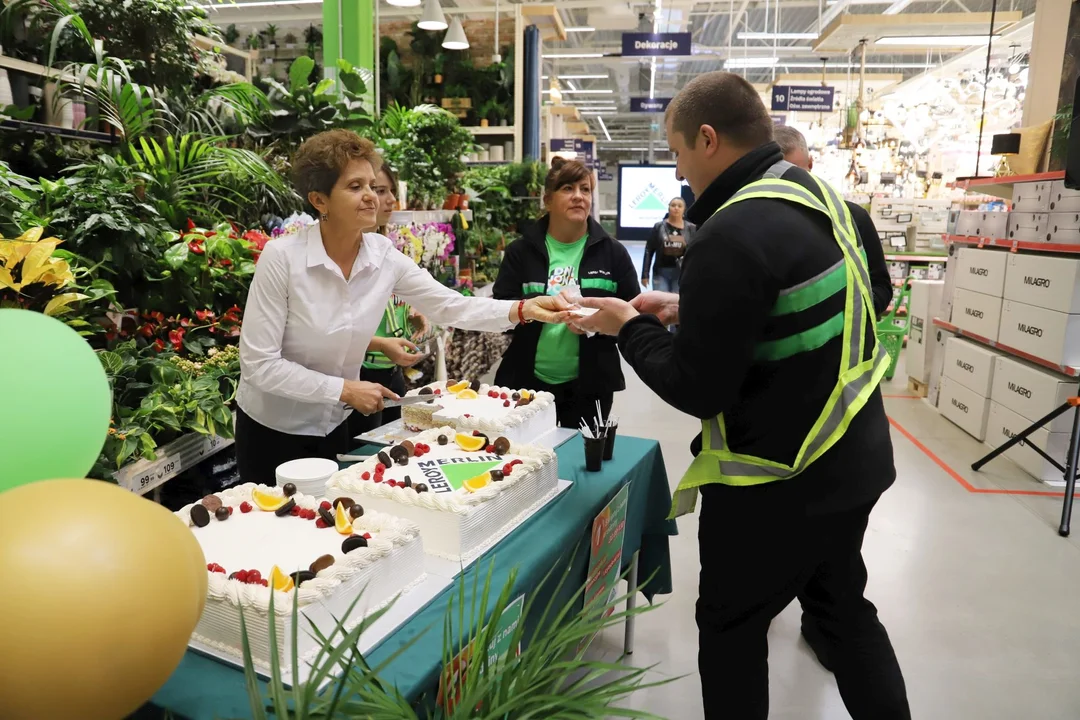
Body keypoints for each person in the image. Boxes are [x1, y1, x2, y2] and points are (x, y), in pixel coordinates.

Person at [572, 72, 910, 720]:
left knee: (731, 631)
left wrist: (630, 326)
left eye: (675, 153)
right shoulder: (821, 198)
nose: (677, 173)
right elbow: (806, 308)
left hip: (774, 486)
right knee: (845, 616)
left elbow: (697, 386)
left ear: (707, 138)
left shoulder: (728, 234)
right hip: (855, 460)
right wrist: (686, 308)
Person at [236, 129, 573, 484]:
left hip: (333, 424)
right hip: (272, 432)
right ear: (320, 200)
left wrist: (524, 309)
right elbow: (260, 365)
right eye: (355, 187)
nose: (371, 197)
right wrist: (345, 389)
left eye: (372, 185)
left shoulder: (383, 258)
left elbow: (450, 306)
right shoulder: (283, 260)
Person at [492, 157, 639, 429]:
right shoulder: (521, 252)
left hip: (592, 383)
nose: (578, 197)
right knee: (526, 459)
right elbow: (502, 310)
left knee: (581, 463)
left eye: (585, 189)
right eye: (567, 189)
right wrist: (538, 312)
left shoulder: (612, 253)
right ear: (548, 200)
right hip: (526, 383)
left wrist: (596, 325)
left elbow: (633, 315)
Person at [773, 125, 893, 317]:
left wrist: (849, 314)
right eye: (779, 177)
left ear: (810, 165)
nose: (789, 185)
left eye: (795, 174)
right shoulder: (754, 223)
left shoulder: (852, 218)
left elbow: (881, 286)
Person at [348, 163, 430, 435]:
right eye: (379, 190)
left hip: (389, 370)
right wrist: (380, 343)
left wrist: (409, 313)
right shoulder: (344, 254)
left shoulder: (385, 247)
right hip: (360, 374)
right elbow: (324, 331)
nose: (387, 199)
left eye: (387, 190)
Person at [641, 197, 695, 294]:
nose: (676, 208)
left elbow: (695, 252)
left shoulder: (691, 228)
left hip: (681, 273)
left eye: (679, 206)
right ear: (668, 208)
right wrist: (645, 274)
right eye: (673, 205)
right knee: (660, 302)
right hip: (661, 272)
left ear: (684, 209)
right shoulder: (659, 227)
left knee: (675, 304)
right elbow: (649, 250)